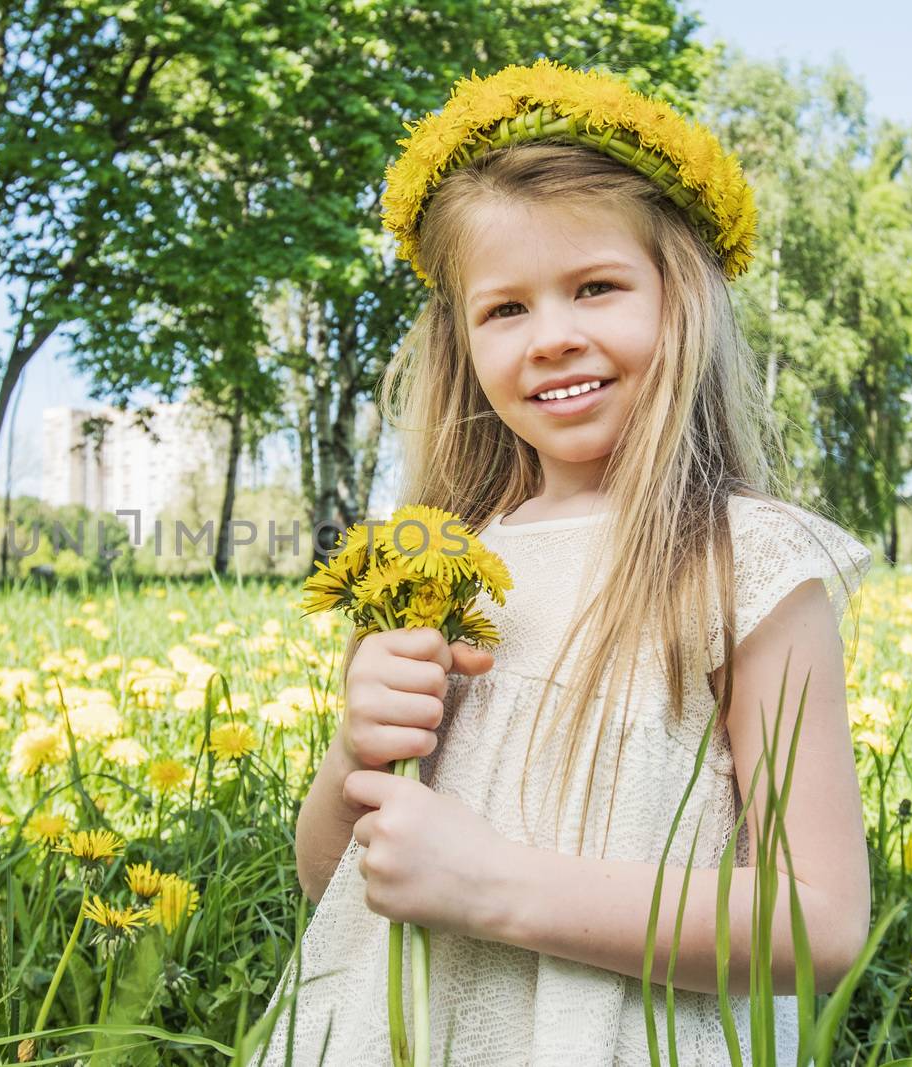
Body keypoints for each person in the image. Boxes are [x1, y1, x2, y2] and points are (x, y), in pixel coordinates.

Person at [246, 58, 873, 1066]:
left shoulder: (744, 563)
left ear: (683, 300)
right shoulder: (443, 568)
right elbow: (335, 885)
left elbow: (822, 923)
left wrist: (497, 885)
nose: (553, 337)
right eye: (506, 308)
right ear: (461, 338)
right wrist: (352, 755)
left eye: (594, 286)